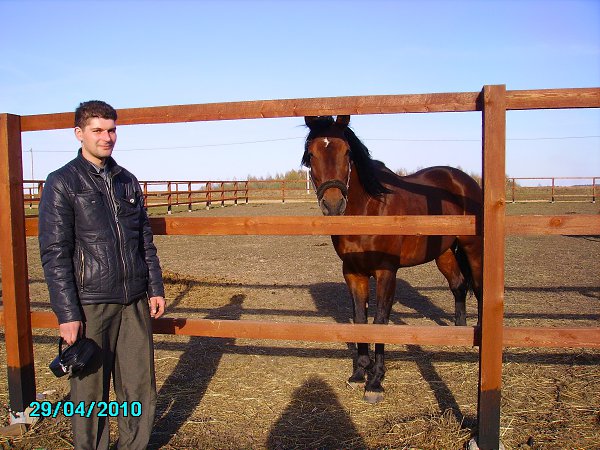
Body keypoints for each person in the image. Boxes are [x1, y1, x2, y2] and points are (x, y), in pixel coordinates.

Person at [38, 100, 166, 450]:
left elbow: (144, 240)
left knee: (139, 388)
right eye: (97, 130)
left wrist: (155, 287)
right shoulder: (62, 182)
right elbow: (54, 253)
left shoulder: (127, 181)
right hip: (90, 304)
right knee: (90, 394)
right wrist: (67, 314)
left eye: (111, 130)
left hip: (133, 301)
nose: (106, 137)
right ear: (79, 133)